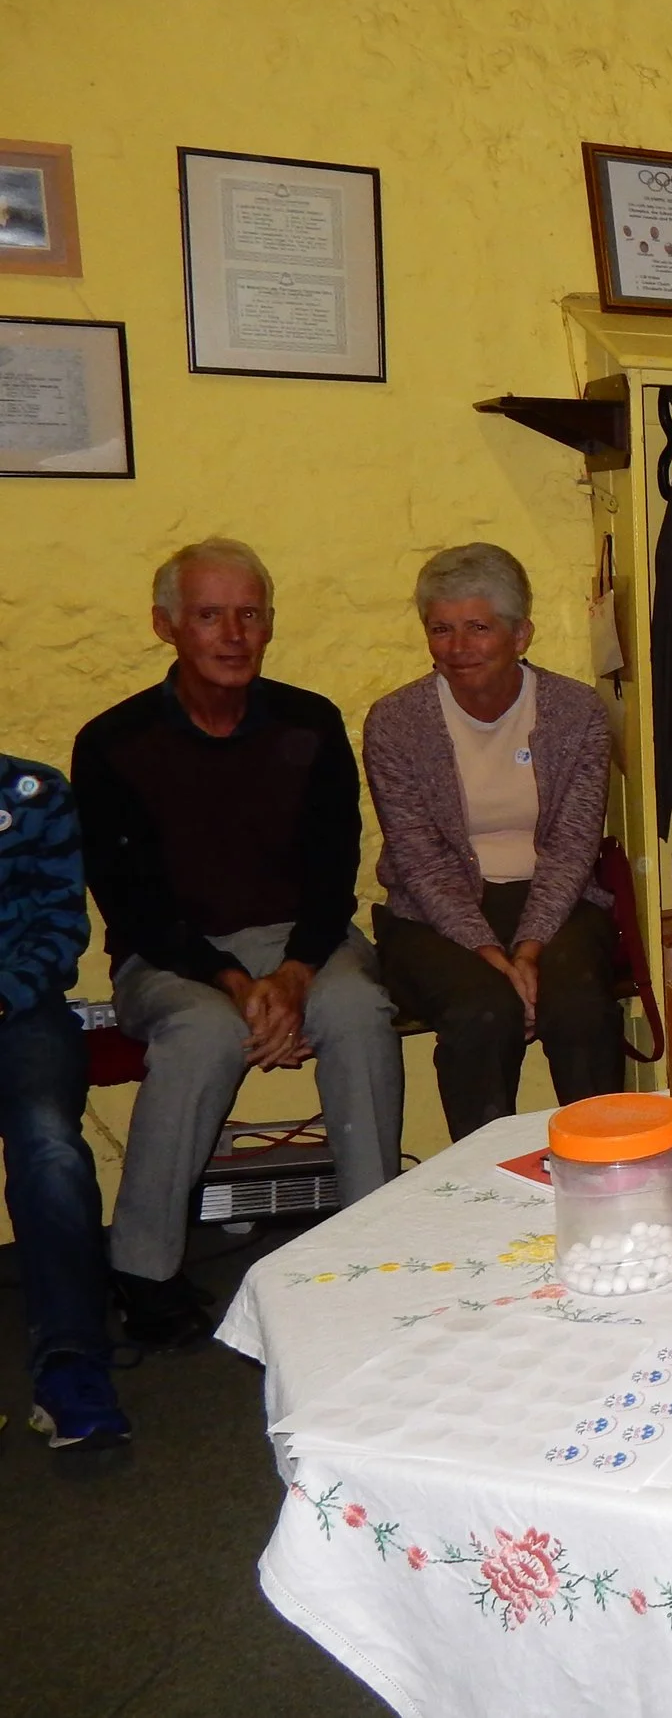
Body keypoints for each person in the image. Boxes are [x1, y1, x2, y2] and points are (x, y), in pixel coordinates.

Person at [72, 539, 404, 1349]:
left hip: (305, 941)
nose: (232, 633)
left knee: (358, 1007)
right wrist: (227, 976)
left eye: (249, 614)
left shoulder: (310, 721)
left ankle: (377, 1242)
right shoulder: (114, 742)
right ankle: (143, 1269)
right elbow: (131, 902)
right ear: (166, 626)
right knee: (205, 1030)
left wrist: (293, 972)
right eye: (209, 614)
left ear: (268, 625)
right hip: (173, 957)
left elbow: (335, 871)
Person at [364, 545, 624, 1140]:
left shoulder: (574, 711)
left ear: (521, 634)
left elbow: (572, 844)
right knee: (483, 1012)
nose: (458, 648)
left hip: (554, 901)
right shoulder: (396, 722)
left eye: (478, 628)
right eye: (441, 630)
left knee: (581, 1006)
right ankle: (486, 1189)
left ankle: (611, 1170)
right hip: (434, 912)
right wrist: (491, 957)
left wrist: (528, 951)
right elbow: (419, 858)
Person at [0, 752, 129, 1447]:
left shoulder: (31, 791)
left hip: (18, 1008)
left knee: (49, 1144)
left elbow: (59, 925)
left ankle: (71, 1361)